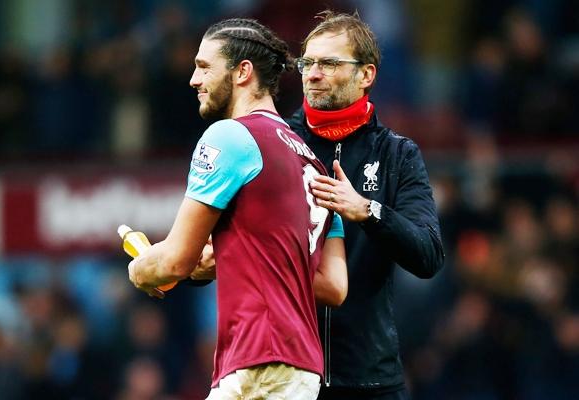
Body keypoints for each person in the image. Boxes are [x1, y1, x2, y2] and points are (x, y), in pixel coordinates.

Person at [126, 18, 348, 399]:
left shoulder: (230, 137)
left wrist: (141, 269)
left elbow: (176, 262)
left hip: (258, 362)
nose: (194, 80)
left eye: (204, 66)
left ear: (243, 71)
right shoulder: (313, 164)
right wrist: (238, 256)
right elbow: (333, 285)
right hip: (300, 369)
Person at [287, 11, 445, 399]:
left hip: (369, 379)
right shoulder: (273, 144)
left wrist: (367, 211)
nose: (313, 73)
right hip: (285, 373)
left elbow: (428, 255)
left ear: (366, 75)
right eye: (307, 63)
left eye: (329, 63)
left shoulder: (398, 154)